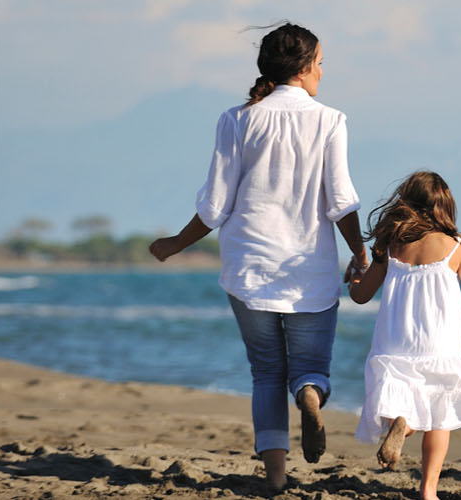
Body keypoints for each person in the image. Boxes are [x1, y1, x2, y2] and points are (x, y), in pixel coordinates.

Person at [147, 22, 364, 492]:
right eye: (321, 64)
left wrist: (173, 245)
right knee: (310, 367)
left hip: (249, 267)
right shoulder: (330, 120)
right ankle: (308, 394)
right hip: (309, 270)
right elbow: (341, 201)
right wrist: (361, 252)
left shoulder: (237, 119)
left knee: (266, 372)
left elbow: (215, 206)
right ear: (305, 69)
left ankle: (275, 477)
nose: (323, 72)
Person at [348, 171, 461, 500]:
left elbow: (362, 296)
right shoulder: (457, 249)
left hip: (395, 340)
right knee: (440, 414)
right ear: (444, 207)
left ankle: (404, 423)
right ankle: (428, 490)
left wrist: (354, 279)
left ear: (406, 202)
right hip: (439, 343)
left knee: (406, 401)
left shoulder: (391, 244)